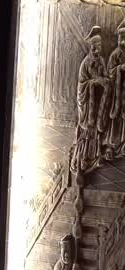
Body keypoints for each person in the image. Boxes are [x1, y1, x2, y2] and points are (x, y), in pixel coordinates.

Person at [72, 26, 111, 177]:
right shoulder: (85, 63)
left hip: (99, 99)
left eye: (100, 46)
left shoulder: (101, 60)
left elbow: (105, 75)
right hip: (88, 103)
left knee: (96, 129)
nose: (98, 49)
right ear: (92, 46)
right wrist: (94, 82)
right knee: (87, 130)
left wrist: (105, 81)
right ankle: (82, 158)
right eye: (96, 46)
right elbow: (82, 84)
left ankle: (95, 154)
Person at [106, 24, 125, 158]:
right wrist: (120, 68)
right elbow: (110, 72)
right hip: (117, 93)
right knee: (116, 118)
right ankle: (113, 145)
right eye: (121, 37)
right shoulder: (115, 54)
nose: (123, 40)